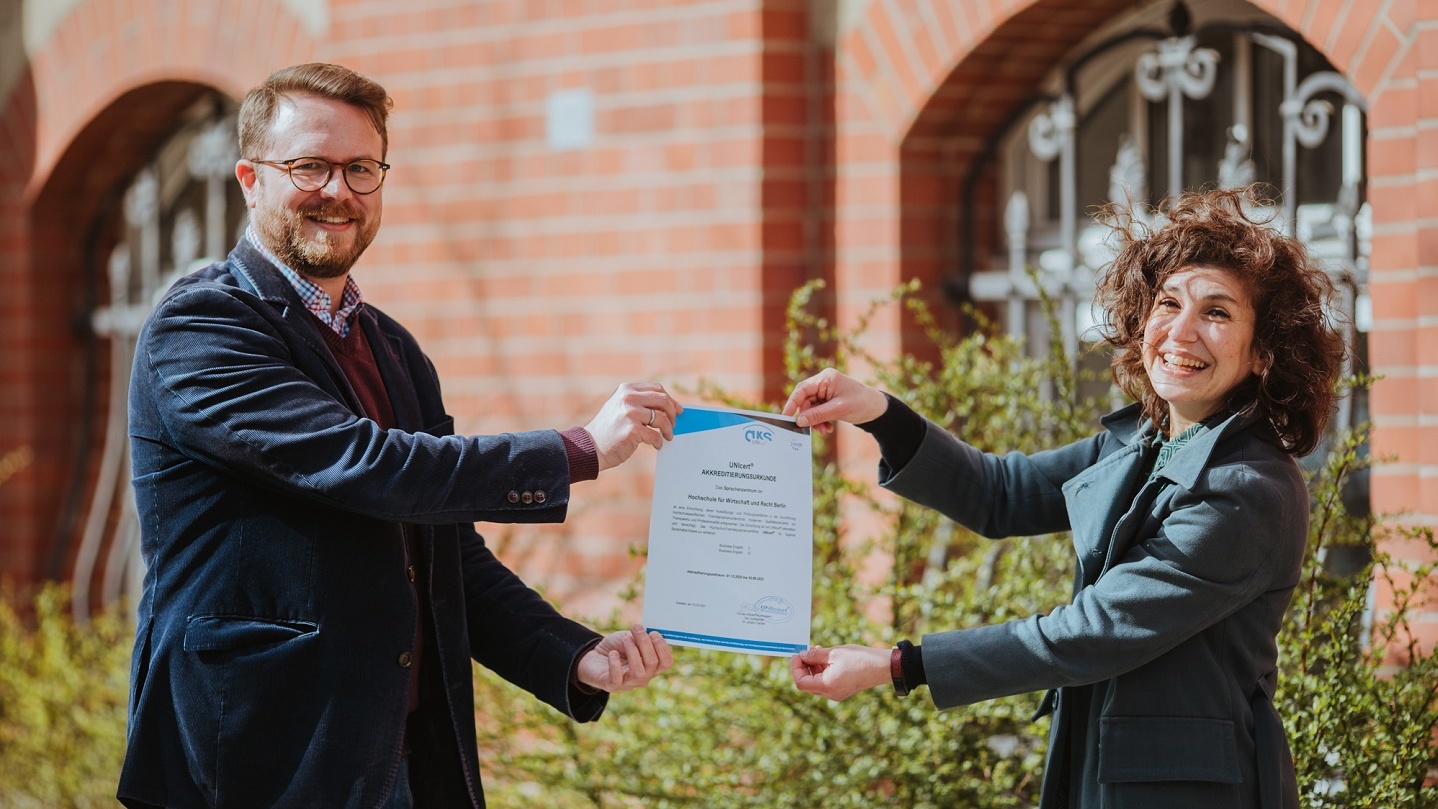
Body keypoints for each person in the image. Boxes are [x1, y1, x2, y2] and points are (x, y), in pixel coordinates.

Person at [119, 63, 679, 809]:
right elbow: (365, 464)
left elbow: (444, 549)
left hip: (401, 764)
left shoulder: (393, 348)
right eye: (310, 166)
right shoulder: (200, 330)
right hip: (257, 766)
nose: (339, 191)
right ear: (250, 178)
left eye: (361, 168)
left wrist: (571, 654)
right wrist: (576, 448)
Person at [783, 187, 1345, 809]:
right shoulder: (1147, 441)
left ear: (1263, 352)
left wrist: (898, 665)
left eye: (1217, 313)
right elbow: (999, 494)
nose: (1181, 331)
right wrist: (879, 412)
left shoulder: (1244, 489)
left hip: (1186, 788)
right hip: (1103, 765)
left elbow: (1090, 631)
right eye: (1168, 303)